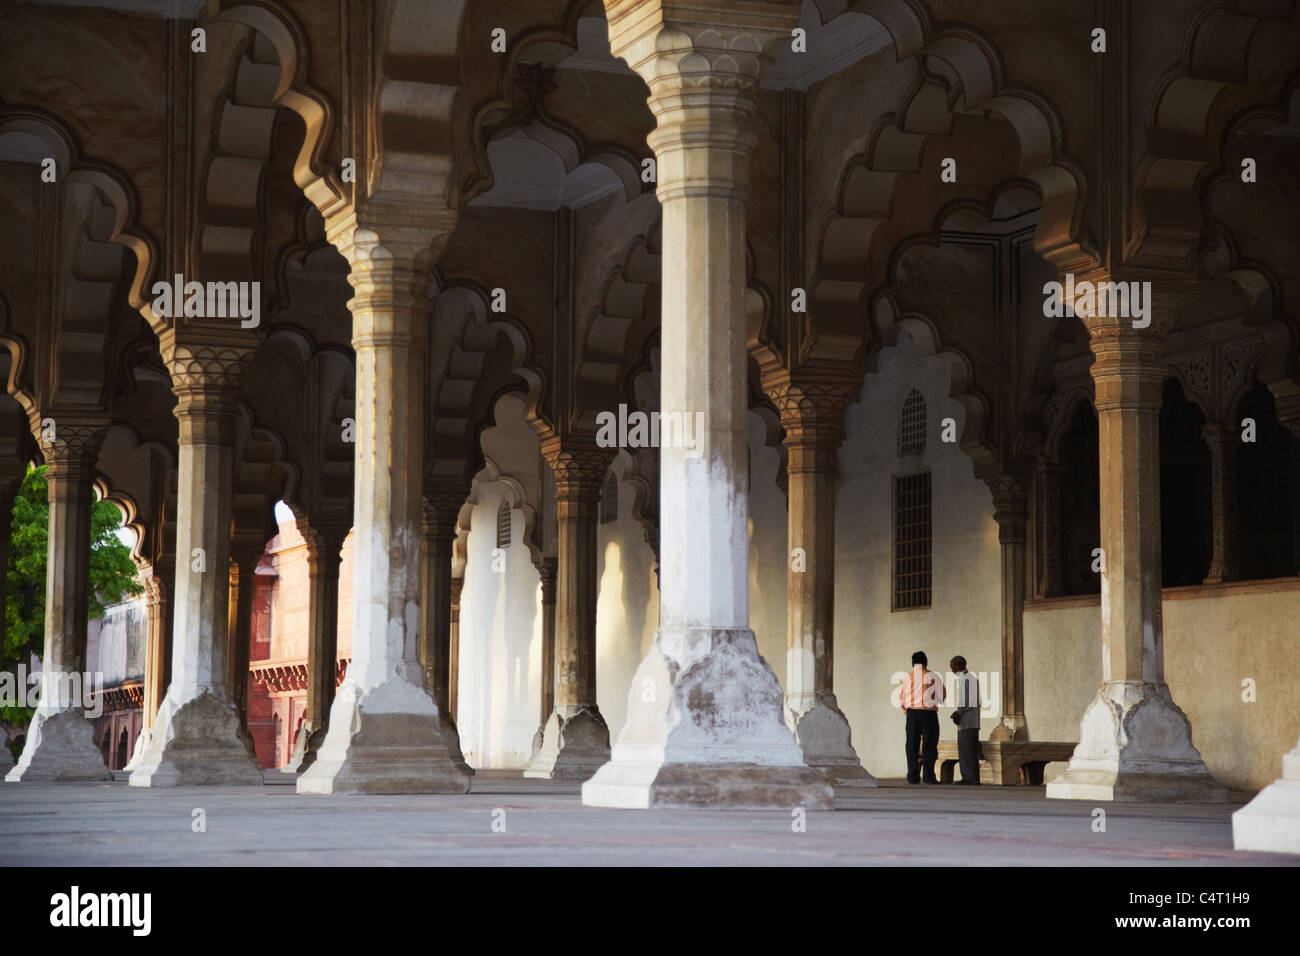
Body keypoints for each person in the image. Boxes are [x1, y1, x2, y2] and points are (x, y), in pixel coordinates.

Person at [898, 650, 945, 784]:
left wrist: (908, 709)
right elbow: (942, 696)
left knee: (911, 745)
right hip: (929, 714)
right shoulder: (933, 676)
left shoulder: (907, 677)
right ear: (926, 662)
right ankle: (929, 776)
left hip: (912, 714)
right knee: (929, 744)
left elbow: (901, 698)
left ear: (912, 663)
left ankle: (912, 776)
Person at [949, 656, 981, 785]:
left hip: (967, 720)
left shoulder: (963, 678)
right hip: (974, 720)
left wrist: (958, 713)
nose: (951, 670)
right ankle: (973, 778)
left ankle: (968, 778)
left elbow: (965, 700)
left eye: (952, 666)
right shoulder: (972, 678)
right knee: (971, 751)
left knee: (965, 750)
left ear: (958, 666)